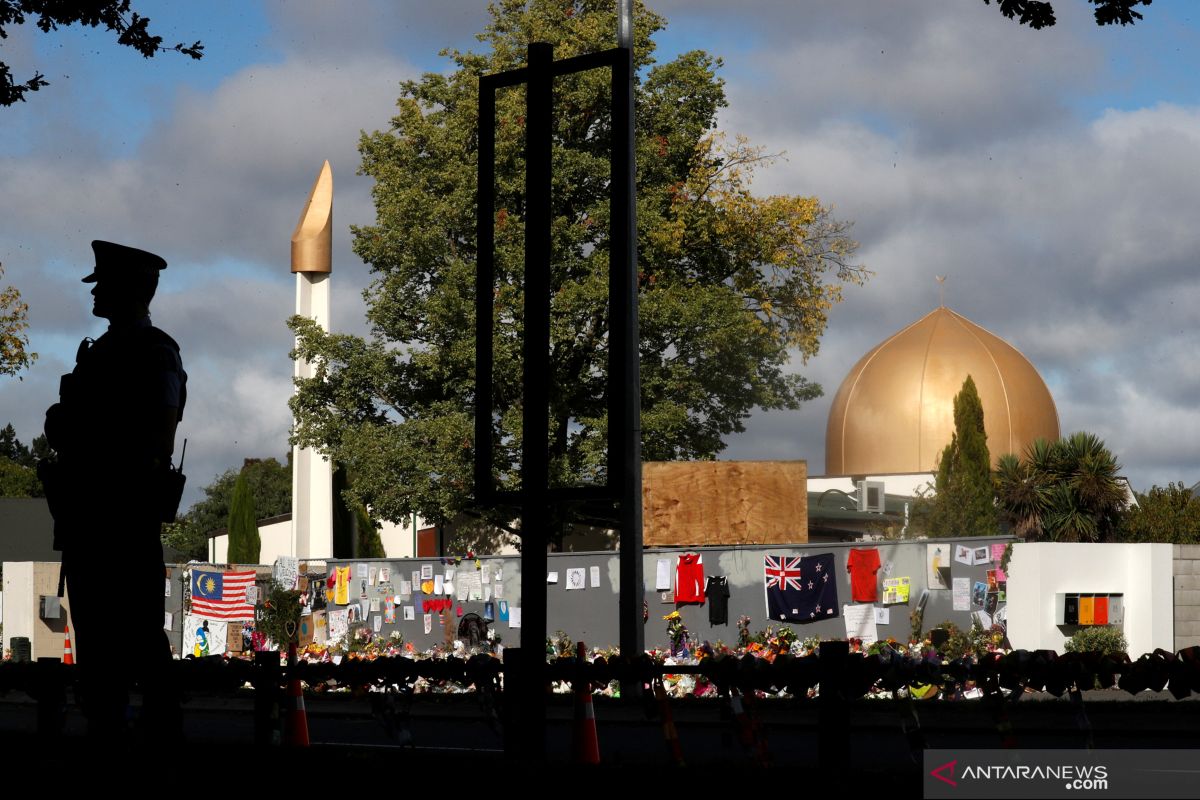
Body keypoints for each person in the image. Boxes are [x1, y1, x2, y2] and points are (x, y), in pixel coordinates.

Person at [41, 240, 187, 740]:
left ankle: (155, 736)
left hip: (123, 516)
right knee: (96, 643)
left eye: (103, 285)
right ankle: (109, 730)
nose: (95, 293)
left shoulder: (155, 351)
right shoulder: (100, 351)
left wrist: (83, 426)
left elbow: (158, 434)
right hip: (88, 517)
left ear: (130, 289)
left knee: (140, 636)